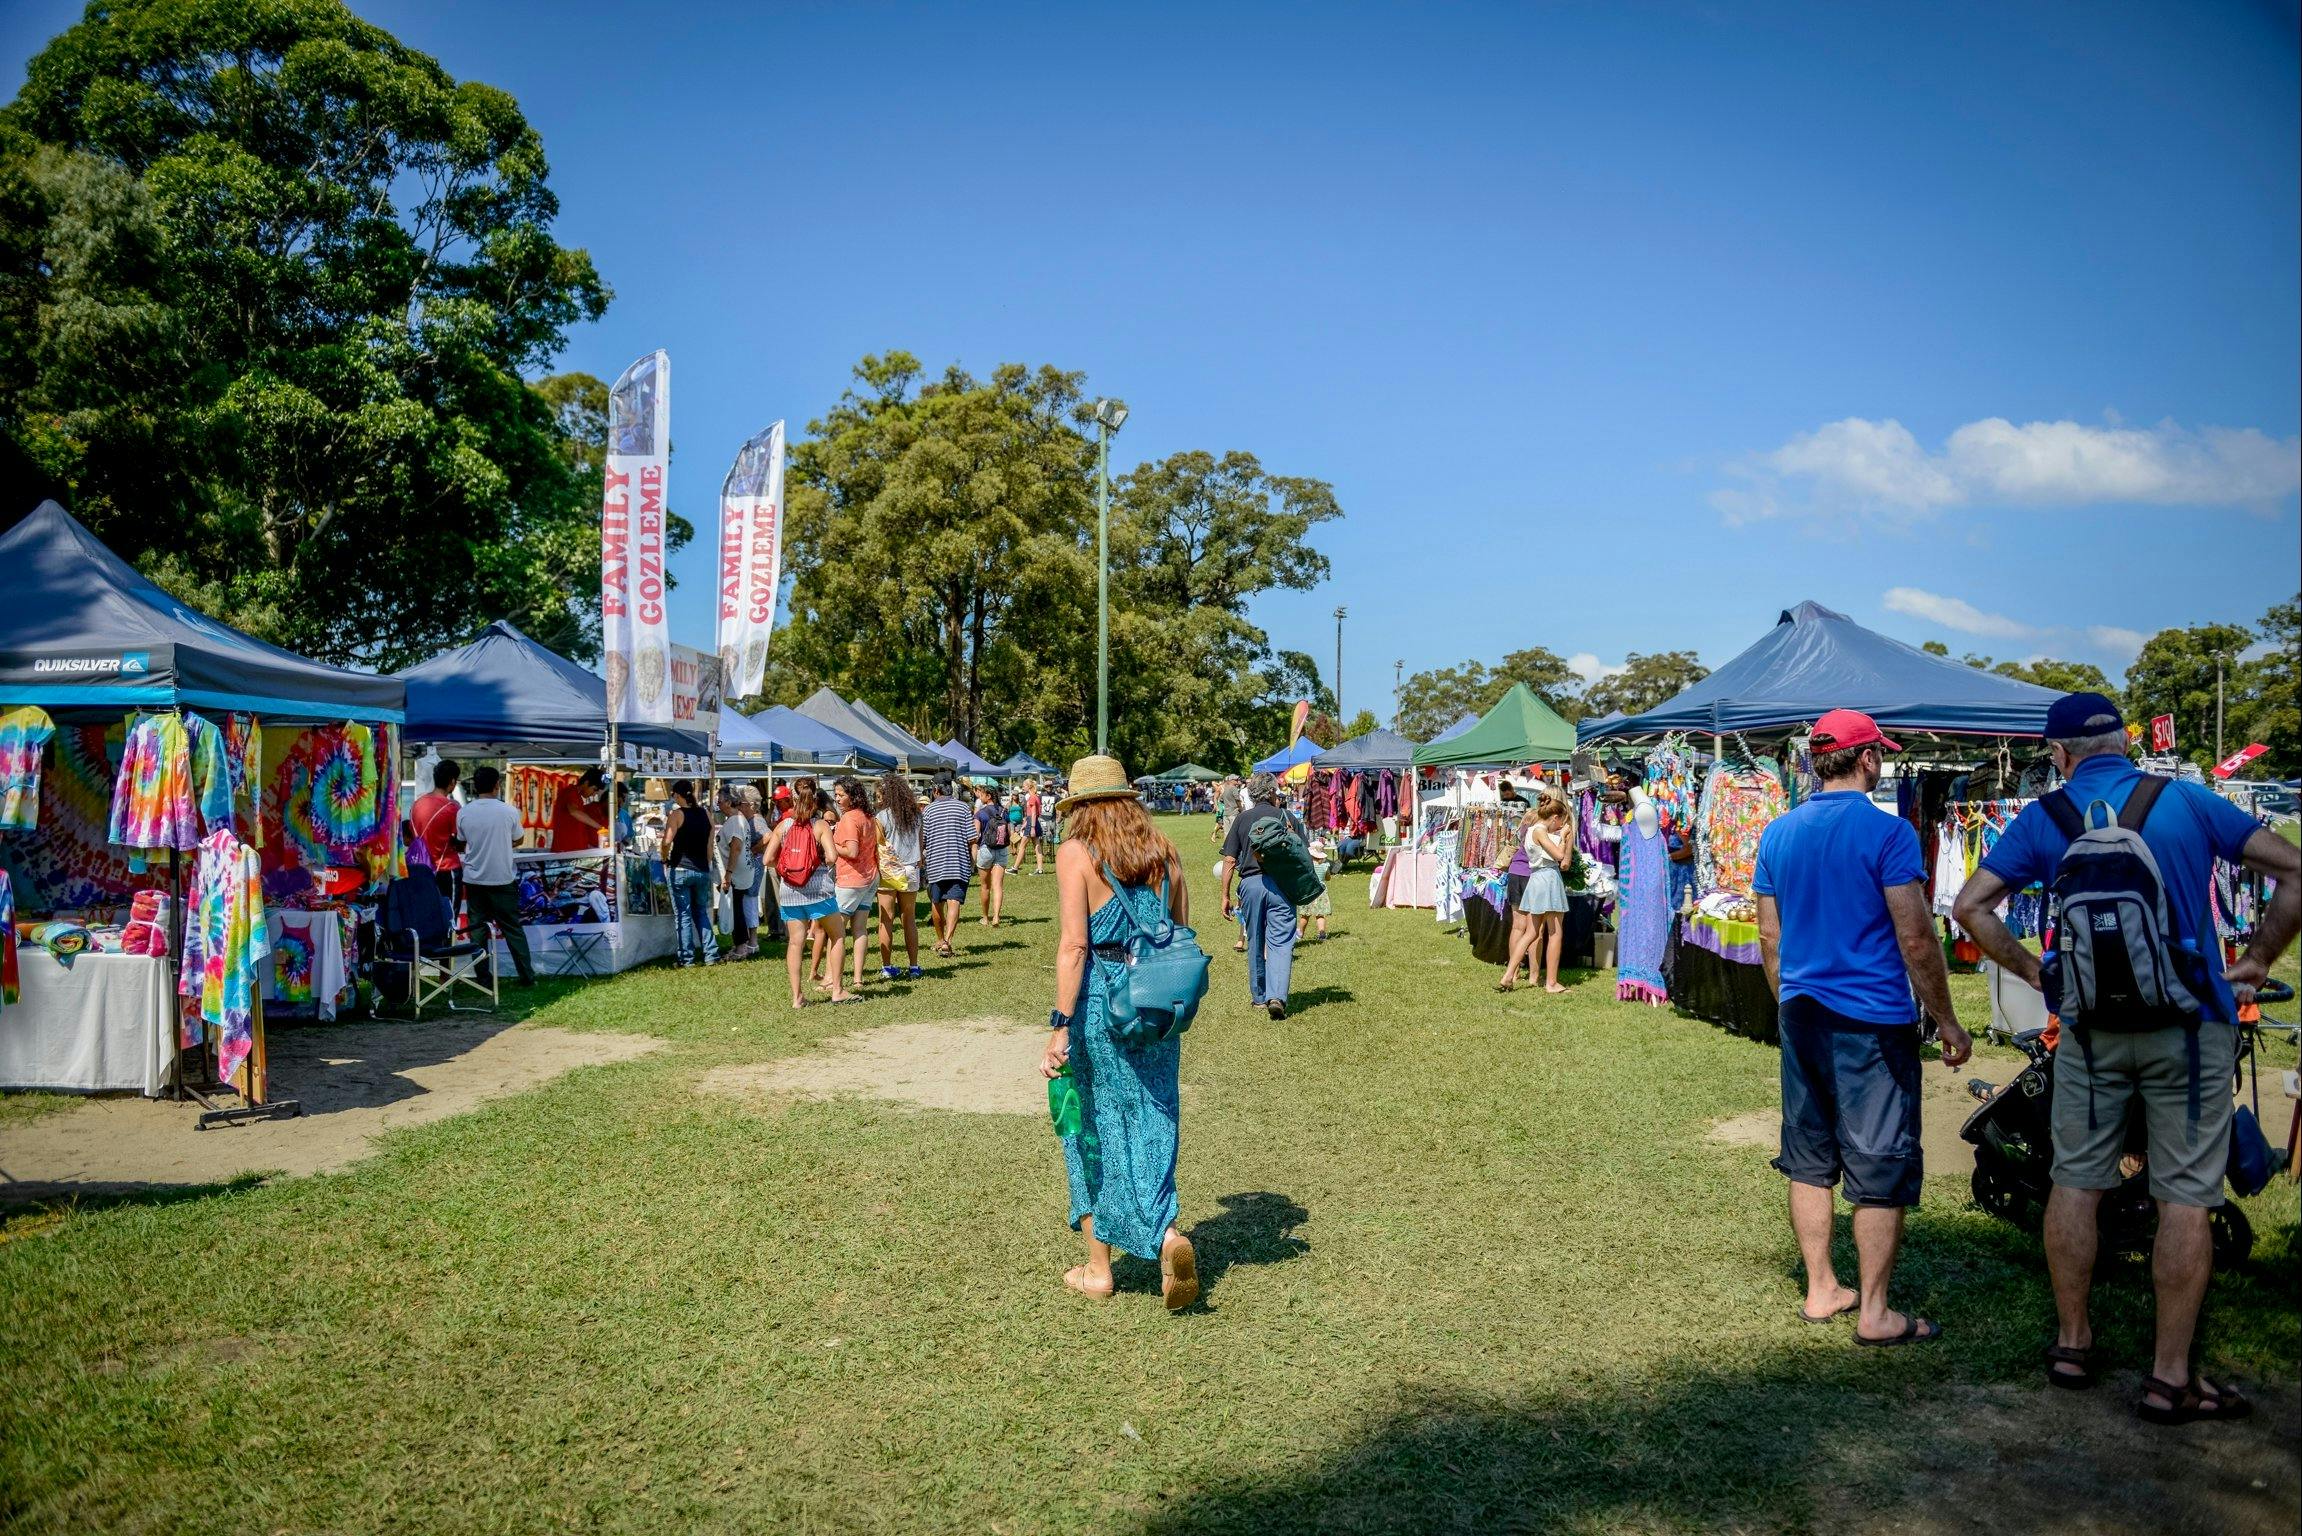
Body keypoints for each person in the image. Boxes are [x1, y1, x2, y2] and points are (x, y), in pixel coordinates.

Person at [1954, 692, 2298, 1420]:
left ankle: (2073, 1343)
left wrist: (2034, 972)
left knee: (2076, 1179)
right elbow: (2295, 870)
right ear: (2124, 743)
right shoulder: (2191, 804)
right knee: (2185, 1196)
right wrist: (2260, 957)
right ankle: (2170, 1376)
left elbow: (1972, 906)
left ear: (2059, 754)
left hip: (2087, 1032)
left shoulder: (2043, 817)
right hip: (2190, 1027)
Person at [1753, 709, 1970, 1346]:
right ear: (1868, 759)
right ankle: (1875, 1311)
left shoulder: (1777, 833)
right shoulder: (1889, 833)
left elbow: (1771, 935)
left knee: (1809, 1154)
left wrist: (1787, 1001)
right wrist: (1946, 1018)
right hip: (1871, 1020)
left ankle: (1822, 1288)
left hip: (1802, 1012)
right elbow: (1915, 934)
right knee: (1879, 1156)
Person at [1038, 754, 1199, 1310]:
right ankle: (1168, 1237)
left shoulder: (1076, 854)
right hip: (1157, 1004)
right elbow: (1178, 928)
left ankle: (1099, 1268)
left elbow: (1074, 946)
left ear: (1080, 808)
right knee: (1155, 1115)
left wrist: (1059, 1027)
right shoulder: (1165, 852)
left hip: (1102, 1005)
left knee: (1092, 1121)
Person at [763, 776, 852, 1008]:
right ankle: (838, 990)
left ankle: (797, 997)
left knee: (795, 943)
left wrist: (788, 868)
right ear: (815, 798)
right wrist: (817, 864)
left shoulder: (784, 825)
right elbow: (832, 857)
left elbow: (767, 859)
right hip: (819, 890)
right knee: (838, 935)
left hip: (790, 892)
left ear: (793, 798)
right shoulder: (820, 825)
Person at [1220, 773, 1299, 1021]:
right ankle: (1277, 997)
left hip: (1251, 885)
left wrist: (1225, 895)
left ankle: (1259, 998)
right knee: (1281, 942)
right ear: (1274, 793)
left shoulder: (1242, 819)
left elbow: (1230, 860)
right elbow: (1301, 853)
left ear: (1251, 795)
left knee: (1255, 939)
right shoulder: (1287, 817)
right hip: (1282, 885)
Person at [457, 765, 534, 987]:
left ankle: (483, 978)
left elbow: (462, 842)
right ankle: (527, 976)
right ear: (496, 785)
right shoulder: (508, 811)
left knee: (477, 930)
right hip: (502, 877)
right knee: (512, 928)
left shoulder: (464, 812)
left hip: (473, 878)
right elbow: (518, 839)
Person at [1501, 792, 1576, 994]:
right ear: (1555, 817)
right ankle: (1551, 983)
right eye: (1559, 821)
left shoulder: (1530, 828)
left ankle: (1509, 975)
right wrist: (1563, 837)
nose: (1559, 825)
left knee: (1531, 932)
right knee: (1555, 932)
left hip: (1535, 878)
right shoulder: (1541, 831)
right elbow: (1560, 856)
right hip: (1547, 879)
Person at [830, 776, 881, 994]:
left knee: (836, 932)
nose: (837, 798)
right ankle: (858, 978)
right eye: (836, 794)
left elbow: (851, 851)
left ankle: (832, 980)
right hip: (870, 877)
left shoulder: (849, 819)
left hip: (852, 879)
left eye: (842, 795)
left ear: (853, 795)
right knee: (860, 929)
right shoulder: (868, 816)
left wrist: (830, 844)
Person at [873, 771, 925, 980]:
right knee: (909, 918)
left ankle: (887, 966)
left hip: (887, 870)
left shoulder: (881, 817)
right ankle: (914, 966)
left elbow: (878, 844)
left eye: (878, 796)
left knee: (886, 919)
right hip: (911, 868)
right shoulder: (916, 815)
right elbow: (921, 844)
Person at [662, 779, 718, 968]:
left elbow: (667, 841)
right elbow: (710, 845)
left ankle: (687, 958)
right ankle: (711, 954)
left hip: (680, 868)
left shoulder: (676, 814)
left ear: (677, 795)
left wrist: (664, 858)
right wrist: (707, 864)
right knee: (701, 912)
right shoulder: (706, 814)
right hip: (702, 869)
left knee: (683, 915)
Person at [920, 774, 977, 959]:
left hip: (936, 864)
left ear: (936, 790)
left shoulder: (928, 811)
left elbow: (924, 840)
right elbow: (971, 838)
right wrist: (972, 860)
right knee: (954, 902)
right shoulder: (963, 808)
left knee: (936, 903)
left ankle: (940, 939)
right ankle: (948, 940)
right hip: (959, 862)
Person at [715, 785, 763, 960]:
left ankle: (741, 947)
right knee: (737, 908)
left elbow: (735, 848)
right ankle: (739, 945)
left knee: (736, 909)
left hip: (737, 873)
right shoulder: (736, 819)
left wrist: (728, 873)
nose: (717, 805)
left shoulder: (735, 821)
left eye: (719, 801)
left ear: (728, 802)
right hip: (740, 871)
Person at [410, 759, 464, 904]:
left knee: (426, 914)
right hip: (446, 868)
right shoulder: (452, 808)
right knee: (449, 915)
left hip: (420, 868)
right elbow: (460, 839)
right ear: (452, 782)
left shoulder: (417, 804)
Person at [975, 783, 1012, 927]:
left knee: (985, 886)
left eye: (982, 794)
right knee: (998, 885)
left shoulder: (980, 813)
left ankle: (985, 917)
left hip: (986, 850)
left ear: (988, 796)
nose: (980, 796)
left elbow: (976, 834)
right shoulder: (1004, 812)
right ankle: (996, 917)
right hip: (1001, 850)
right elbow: (1009, 832)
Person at [548, 767, 609, 852]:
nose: (594, 794)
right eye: (594, 789)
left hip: (576, 850)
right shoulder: (570, 792)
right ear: (586, 783)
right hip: (566, 851)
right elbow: (574, 812)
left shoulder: (578, 798)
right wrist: (599, 827)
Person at [1019, 777, 1048, 876]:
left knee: (1022, 846)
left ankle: (1015, 868)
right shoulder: (1036, 797)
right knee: (1037, 846)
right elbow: (1031, 814)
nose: (1022, 788)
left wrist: (1031, 827)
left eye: (1024, 786)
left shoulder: (1031, 798)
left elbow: (1034, 813)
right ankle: (1040, 869)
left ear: (1029, 786)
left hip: (1033, 823)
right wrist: (1025, 824)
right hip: (1033, 822)